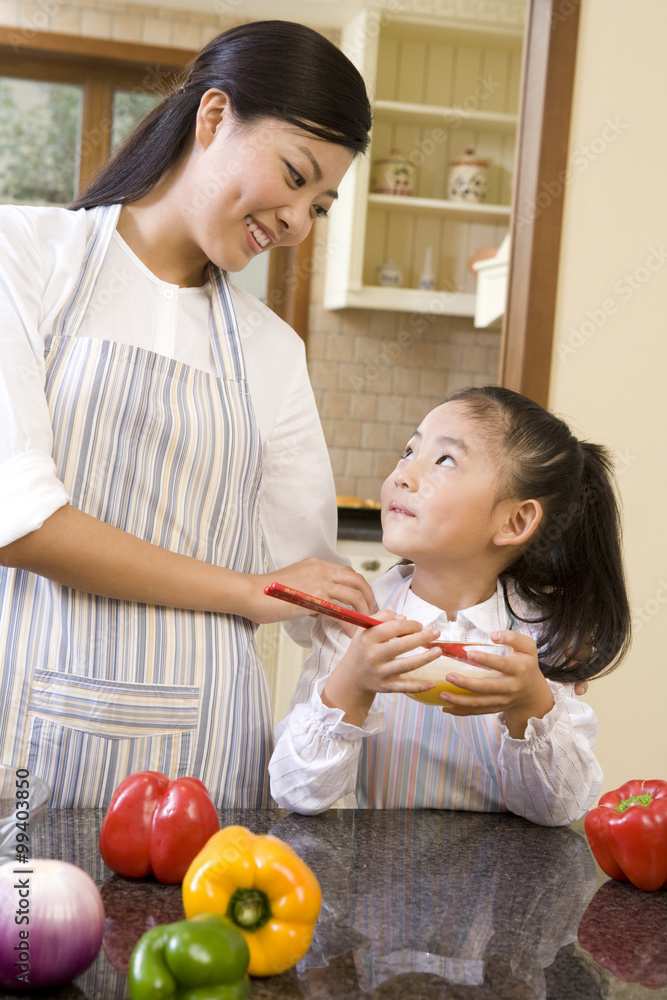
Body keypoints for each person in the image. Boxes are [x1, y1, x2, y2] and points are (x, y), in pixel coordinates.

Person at [0, 20, 375, 808]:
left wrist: (460, 617)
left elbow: (312, 594)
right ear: (212, 118)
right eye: (294, 174)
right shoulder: (24, 255)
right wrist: (249, 590)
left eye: (321, 205)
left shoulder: (272, 351)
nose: (298, 223)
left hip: (204, 769)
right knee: (31, 933)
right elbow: (19, 521)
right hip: (29, 739)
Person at [270, 386, 631, 825]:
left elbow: (558, 810)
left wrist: (530, 703)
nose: (403, 474)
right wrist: (353, 682)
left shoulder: (543, 639)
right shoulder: (355, 622)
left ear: (515, 521)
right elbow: (296, 792)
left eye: (444, 460)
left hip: (505, 887)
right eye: (409, 451)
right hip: (375, 878)